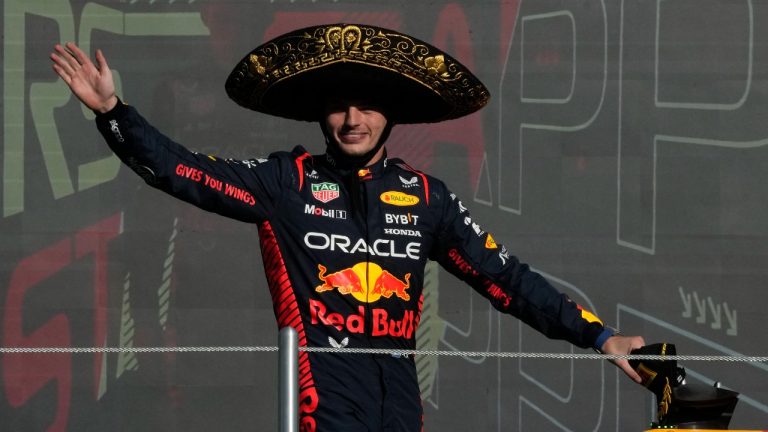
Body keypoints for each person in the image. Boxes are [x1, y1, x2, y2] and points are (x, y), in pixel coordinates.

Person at [51, 23, 645, 432]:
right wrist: (113, 113)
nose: (352, 119)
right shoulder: (287, 182)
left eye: (367, 106)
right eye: (338, 105)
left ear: (392, 116)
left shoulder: (425, 198)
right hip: (321, 407)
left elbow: (506, 279)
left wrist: (598, 336)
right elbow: (184, 173)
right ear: (320, 113)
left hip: (400, 408)